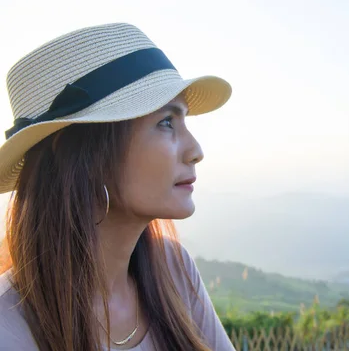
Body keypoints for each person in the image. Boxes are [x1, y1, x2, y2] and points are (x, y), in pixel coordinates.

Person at [0, 23, 236, 351]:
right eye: (166, 122)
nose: (195, 150)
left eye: (184, 121)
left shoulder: (174, 272)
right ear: (84, 157)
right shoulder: (8, 329)